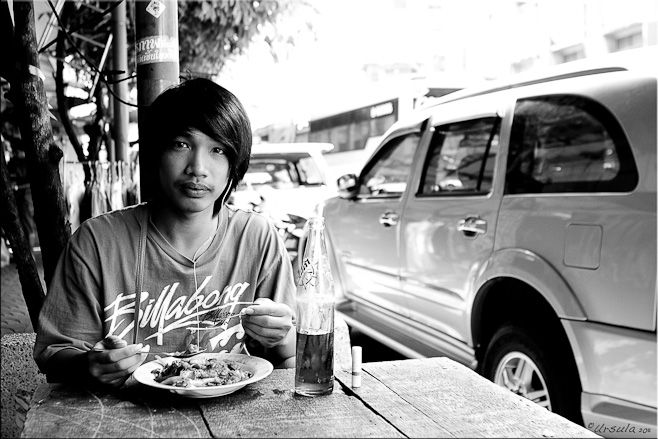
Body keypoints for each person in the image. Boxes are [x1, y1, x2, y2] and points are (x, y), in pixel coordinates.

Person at [34, 78, 297, 388]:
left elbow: (290, 357)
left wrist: (282, 333)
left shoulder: (256, 237)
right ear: (156, 153)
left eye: (218, 150)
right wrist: (89, 366)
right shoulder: (97, 242)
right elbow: (55, 359)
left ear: (234, 165)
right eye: (181, 144)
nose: (198, 168)